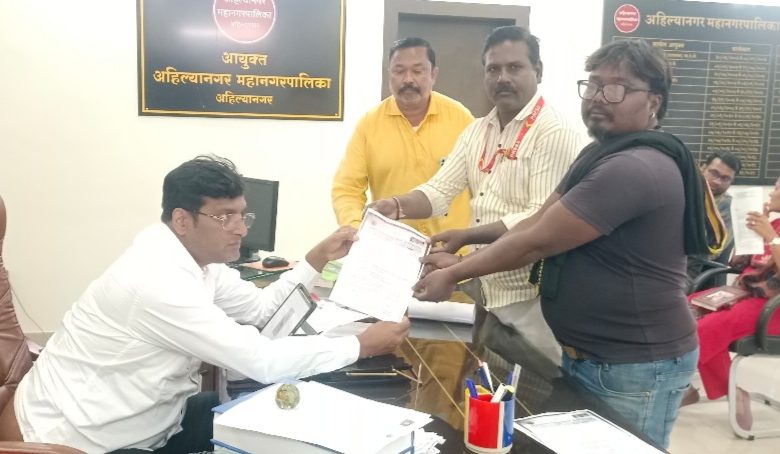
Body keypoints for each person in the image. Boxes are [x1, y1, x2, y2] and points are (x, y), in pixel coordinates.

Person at [411, 39, 723, 448]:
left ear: (654, 101)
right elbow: (537, 221)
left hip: (634, 365)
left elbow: (536, 243)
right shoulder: (600, 153)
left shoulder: (635, 167)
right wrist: (464, 249)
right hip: (593, 355)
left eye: (617, 88)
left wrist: (455, 272)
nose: (599, 97)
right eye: (593, 85)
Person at [8, 156, 410, 453]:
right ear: (183, 220)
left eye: (242, 215)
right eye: (224, 217)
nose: (240, 229)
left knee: (277, 420)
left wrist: (316, 259)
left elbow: (261, 311)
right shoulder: (157, 280)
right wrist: (360, 344)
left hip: (147, 423)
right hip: (77, 441)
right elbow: (260, 361)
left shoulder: (198, 261)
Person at [371, 26, 582, 362]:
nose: (502, 78)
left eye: (514, 67)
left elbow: (537, 221)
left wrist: (465, 243)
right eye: (493, 69)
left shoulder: (554, 132)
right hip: (485, 290)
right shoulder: (477, 130)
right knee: (489, 386)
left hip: (532, 301)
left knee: (531, 389)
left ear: (538, 71)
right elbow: (438, 191)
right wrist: (395, 206)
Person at [332, 37, 473, 238]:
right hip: (392, 247)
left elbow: (482, 182)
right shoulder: (369, 125)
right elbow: (347, 188)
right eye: (399, 71)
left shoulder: (461, 118)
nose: (408, 79)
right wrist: (357, 230)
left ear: (433, 74)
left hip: (453, 248)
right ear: (389, 74)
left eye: (417, 71)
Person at [683, 178, 780, 431]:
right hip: (743, 293)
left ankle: (716, 391)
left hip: (771, 307)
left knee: (704, 329)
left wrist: (771, 238)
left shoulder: (772, 231)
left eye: (778, 189)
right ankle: (708, 388)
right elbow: (739, 263)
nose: (772, 193)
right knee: (679, 311)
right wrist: (750, 234)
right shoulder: (772, 223)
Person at [687, 151, 742, 286]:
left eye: (725, 178)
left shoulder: (728, 206)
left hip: (691, 270)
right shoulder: (685, 191)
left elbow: (711, 251)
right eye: (714, 173)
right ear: (702, 168)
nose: (717, 182)